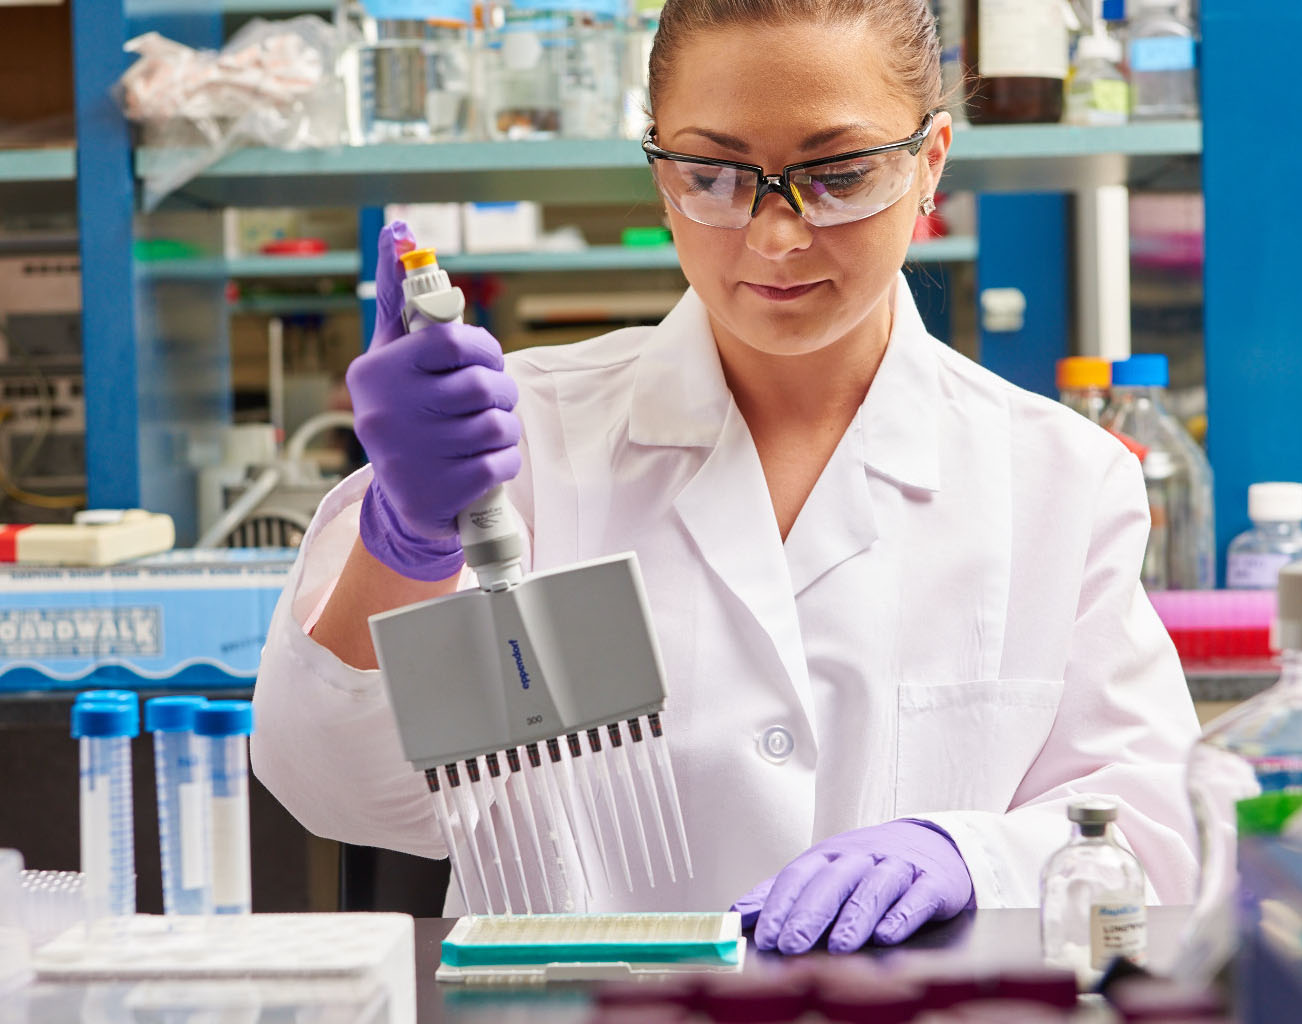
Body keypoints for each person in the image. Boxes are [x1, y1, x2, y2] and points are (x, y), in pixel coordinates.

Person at [252, 0, 1201, 955]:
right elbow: (334, 788)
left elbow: (1155, 834)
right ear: (659, 172)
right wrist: (406, 539)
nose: (776, 237)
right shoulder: (521, 443)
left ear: (930, 162)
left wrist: (969, 856)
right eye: (712, 174)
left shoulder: (1058, 480)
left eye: (837, 175)